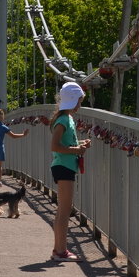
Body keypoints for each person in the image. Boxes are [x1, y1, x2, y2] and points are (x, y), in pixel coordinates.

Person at [49, 82, 90, 261]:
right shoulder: (64, 120)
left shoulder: (66, 118)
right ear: (73, 100)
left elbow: (63, 144)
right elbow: (55, 146)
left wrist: (80, 145)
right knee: (65, 210)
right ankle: (61, 251)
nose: (80, 105)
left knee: (62, 210)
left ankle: (58, 250)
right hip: (64, 166)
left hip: (64, 165)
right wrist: (76, 150)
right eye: (79, 101)